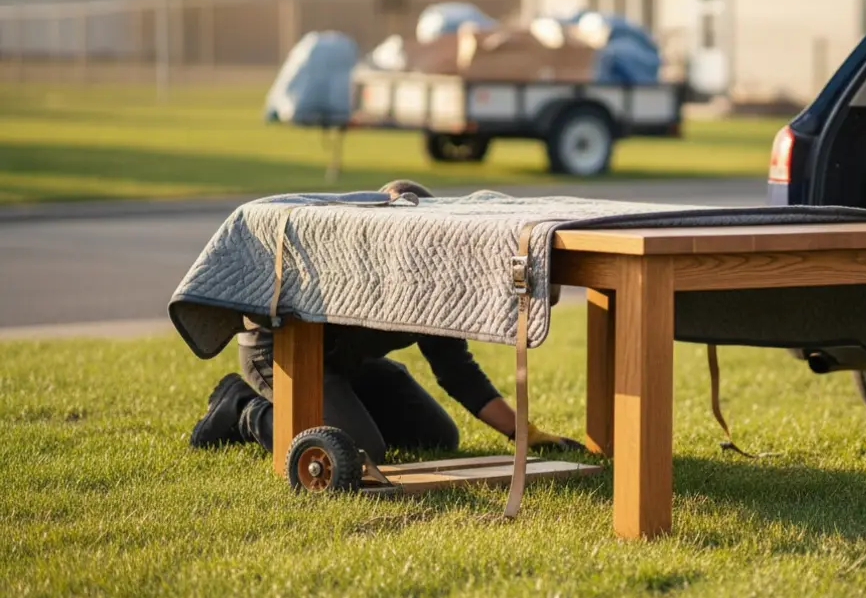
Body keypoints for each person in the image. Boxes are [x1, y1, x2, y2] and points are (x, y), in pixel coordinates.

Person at [189, 179, 583, 462]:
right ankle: (242, 408)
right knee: (362, 450)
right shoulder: (354, 263)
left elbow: (456, 371)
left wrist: (524, 434)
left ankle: (343, 407)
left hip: (351, 367)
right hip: (284, 354)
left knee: (438, 436)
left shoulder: (435, 279)